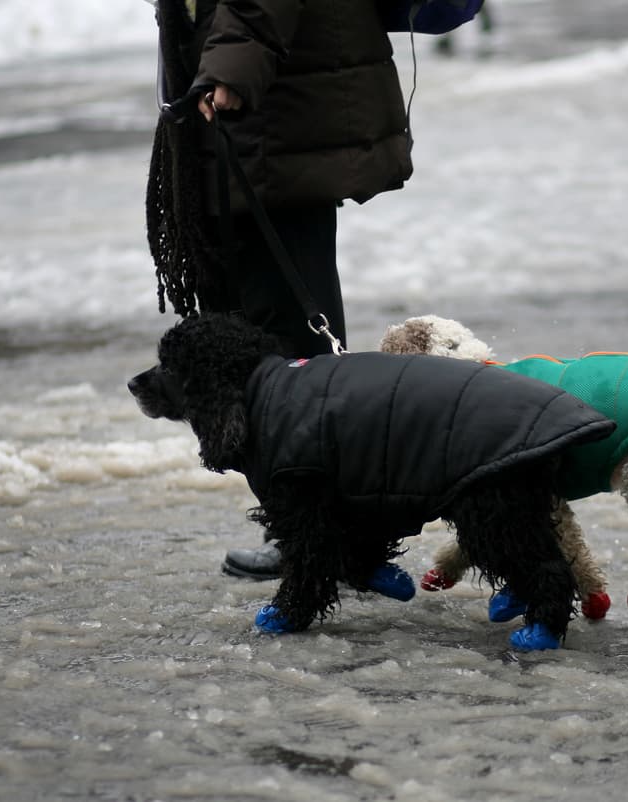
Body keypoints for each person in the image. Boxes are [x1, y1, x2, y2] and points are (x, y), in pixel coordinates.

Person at [147, 0, 414, 581]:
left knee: (289, 335)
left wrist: (230, 70)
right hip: (233, 117)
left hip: (272, 116)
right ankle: (313, 527)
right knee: (252, 330)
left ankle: (333, 534)